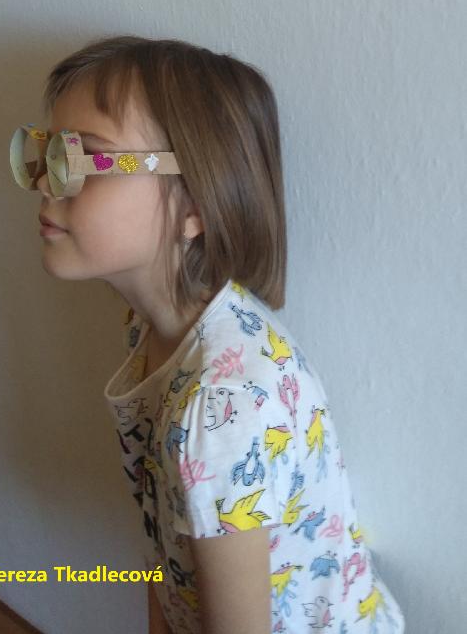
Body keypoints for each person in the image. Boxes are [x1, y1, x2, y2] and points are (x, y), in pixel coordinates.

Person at [35, 35, 406, 634]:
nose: (46, 181)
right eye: (50, 153)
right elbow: (163, 536)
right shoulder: (151, 329)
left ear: (196, 205)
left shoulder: (223, 409)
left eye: (86, 159)